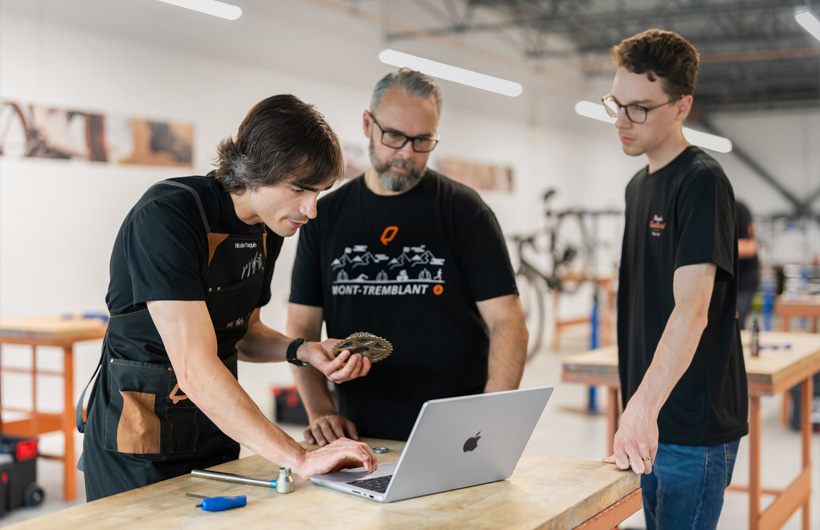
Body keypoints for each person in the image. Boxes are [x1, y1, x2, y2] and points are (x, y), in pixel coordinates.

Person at [78, 95, 377, 501]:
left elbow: (244, 333)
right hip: (138, 441)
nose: (311, 210)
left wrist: (304, 351)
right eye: (300, 189)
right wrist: (299, 458)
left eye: (320, 193)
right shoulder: (168, 216)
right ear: (255, 170)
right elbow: (195, 367)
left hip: (214, 431)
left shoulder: (269, 228)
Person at [287, 68, 527, 444]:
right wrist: (320, 411)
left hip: (457, 433)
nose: (406, 153)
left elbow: (507, 321)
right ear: (368, 124)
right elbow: (302, 326)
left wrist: (490, 418)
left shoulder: (465, 212)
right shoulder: (325, 215)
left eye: (422, 141)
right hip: (357, 435)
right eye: (395, 136)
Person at [600, 29, 748, 529]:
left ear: (682, 106)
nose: (622, 120)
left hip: (690, 425)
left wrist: (642, 405)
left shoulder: (701, 182)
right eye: (616, 104)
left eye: (639, 108)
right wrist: (636, 407)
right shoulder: (636, 186)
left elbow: (693, 308)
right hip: (648, 422)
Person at [736, 200, 760, 328]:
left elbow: (750, 247)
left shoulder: (738, 209)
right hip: (721, 283)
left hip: (743, 283)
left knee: (736, 324)